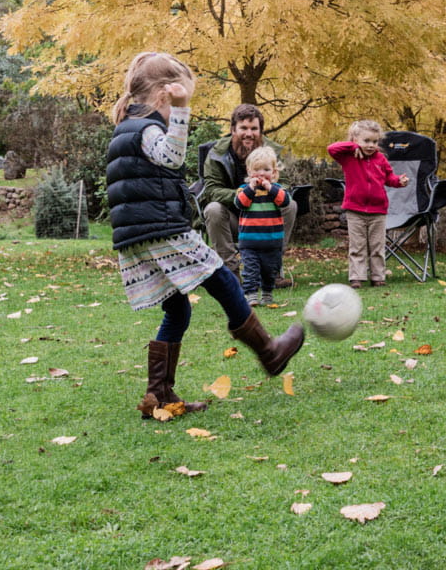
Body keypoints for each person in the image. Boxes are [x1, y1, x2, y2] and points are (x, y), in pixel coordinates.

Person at [103, 52, 303, 420]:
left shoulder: (126, 127)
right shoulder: (147, 127)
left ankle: (158, 395)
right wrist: (181, 111)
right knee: (223, 278)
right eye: (178, 100)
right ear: (165, 94)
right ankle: (269, 351)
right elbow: (172, 158)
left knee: (176, 306)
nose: (178, 111)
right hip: (160, 228)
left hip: (137, 233)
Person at [197, 104, 297, 285]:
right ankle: (230, 275)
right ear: (233, 129)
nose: (249, 133)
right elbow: (211, 190)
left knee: (291, 204)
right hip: (234, 219)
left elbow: (286, 185)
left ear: (261, 131)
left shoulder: (273, 151)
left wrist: (268, 188)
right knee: (212, 209)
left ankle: (272, 271)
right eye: (243, 128)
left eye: (254, 129)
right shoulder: (217, 154)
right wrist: (244, 194)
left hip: (266, 217)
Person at [328, 120, 408, 287]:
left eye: (374, 141)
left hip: (378, 211)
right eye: (366, 141)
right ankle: (357, 276)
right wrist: (352, 147)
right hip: (355, 210)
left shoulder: (380, 159)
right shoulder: (349, 157)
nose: (371, 145)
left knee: (377, 246)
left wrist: (399, 181)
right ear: (355, 140)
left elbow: (389, 178)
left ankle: (378, 277)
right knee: (357, 246)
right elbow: (332, 148)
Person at [234, 146, 290, 306]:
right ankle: (251, 295)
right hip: (249, 242)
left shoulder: (276, 190)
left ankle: (267, 293)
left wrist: (269, 187)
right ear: (250, 172)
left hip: (272, 241)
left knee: (270, 271)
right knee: (250, 270)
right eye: (257, 170)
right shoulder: (244, 190)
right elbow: (240, 204)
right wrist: (251, 188)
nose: (261, 173)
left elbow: (285, 201)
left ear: (273, 172)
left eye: (266, 169)